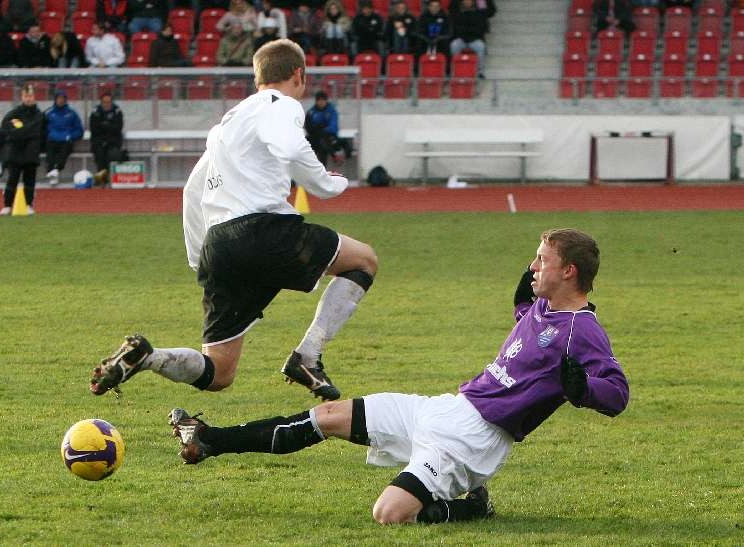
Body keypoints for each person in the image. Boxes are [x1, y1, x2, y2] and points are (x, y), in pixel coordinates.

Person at [166, 228, 629, 525]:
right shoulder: (545, 308)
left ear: (569, 272)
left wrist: (583, 388)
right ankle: (209, 440)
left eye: (542, 261)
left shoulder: (582, 332)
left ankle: (469, 506)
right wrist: (528, 289)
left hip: (472, 441)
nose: (533, 267)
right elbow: (526, 316)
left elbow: (617, 394)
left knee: (389, 514)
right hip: (446, 407)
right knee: (326, 415)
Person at [91, 39, 378, 404]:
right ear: (298, 75)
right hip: (262, 231)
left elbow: (192, 192)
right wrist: (329, 184)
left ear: (256, 78)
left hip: (218, 247)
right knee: (364, 260)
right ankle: (307, 356)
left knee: (219, 373)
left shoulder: (226, 126)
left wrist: (201, 259)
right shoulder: (281, 103)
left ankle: (149, 357)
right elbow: (291, 148)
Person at [0, 85, 45, 216]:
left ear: (35, 97)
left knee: (30, 179)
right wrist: (20, 131)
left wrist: (19, 130)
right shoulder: (14, 112)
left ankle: (29, 205)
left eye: (31, 96)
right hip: (15, 151)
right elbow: (5, 125)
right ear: (22, 97)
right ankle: (7, 206)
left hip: (31, 151)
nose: (28, 99)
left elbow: (35, 130)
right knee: (12, 179)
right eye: (26, 96)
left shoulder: (39, 115)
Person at [44, 90, 84, 186]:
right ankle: (51, 173)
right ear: (55, 99)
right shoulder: (49, 113)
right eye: (59, 98)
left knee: (65, 149)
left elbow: (79, 129)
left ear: (65, 100)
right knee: (50, 151)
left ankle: (56, 169)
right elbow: (42, 128)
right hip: (52, 139)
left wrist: (71, 136)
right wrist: (48, 134)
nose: (60, 100)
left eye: (62, 98)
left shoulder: (72, 113)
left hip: (66, 140)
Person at [449, 0, 495, 79]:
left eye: (469, 1)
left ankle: (480, 72)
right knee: (454, 45)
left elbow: (488, 13)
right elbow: (456, 27)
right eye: (465, 1)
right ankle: (454, 71)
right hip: (461, 38)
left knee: (481, 46)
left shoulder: (480, 7)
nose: (467, 2)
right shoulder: (458, 14)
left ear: (473, 2)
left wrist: (472, 35)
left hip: (475, 38)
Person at [88, 92, 124, 186]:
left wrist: (103, 126)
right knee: (99, 155)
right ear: (101, 102)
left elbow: (118, 127)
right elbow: (93, 128)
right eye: (104, 102)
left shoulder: (117, 111)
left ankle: (108, 179)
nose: (106, 104)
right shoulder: (95, 111)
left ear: (111, 102)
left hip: (113, 140)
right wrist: (108, 126)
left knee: (111, 154)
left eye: (108, 102)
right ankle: (101, 181)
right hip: (98, 140)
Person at [305, 90, 341, 167]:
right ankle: (333, 156)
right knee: (306, 143)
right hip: (314, 136)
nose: (321, 102)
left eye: (323, 100)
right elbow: (307, 126)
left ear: (326, 101)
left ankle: (323, 167)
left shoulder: (331, 111)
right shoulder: (311, 112)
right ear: (316, 101)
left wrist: (323, 130)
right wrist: (317, 129)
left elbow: (333, 127)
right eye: (319, 100)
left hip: (329, 136)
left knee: (323, 144)